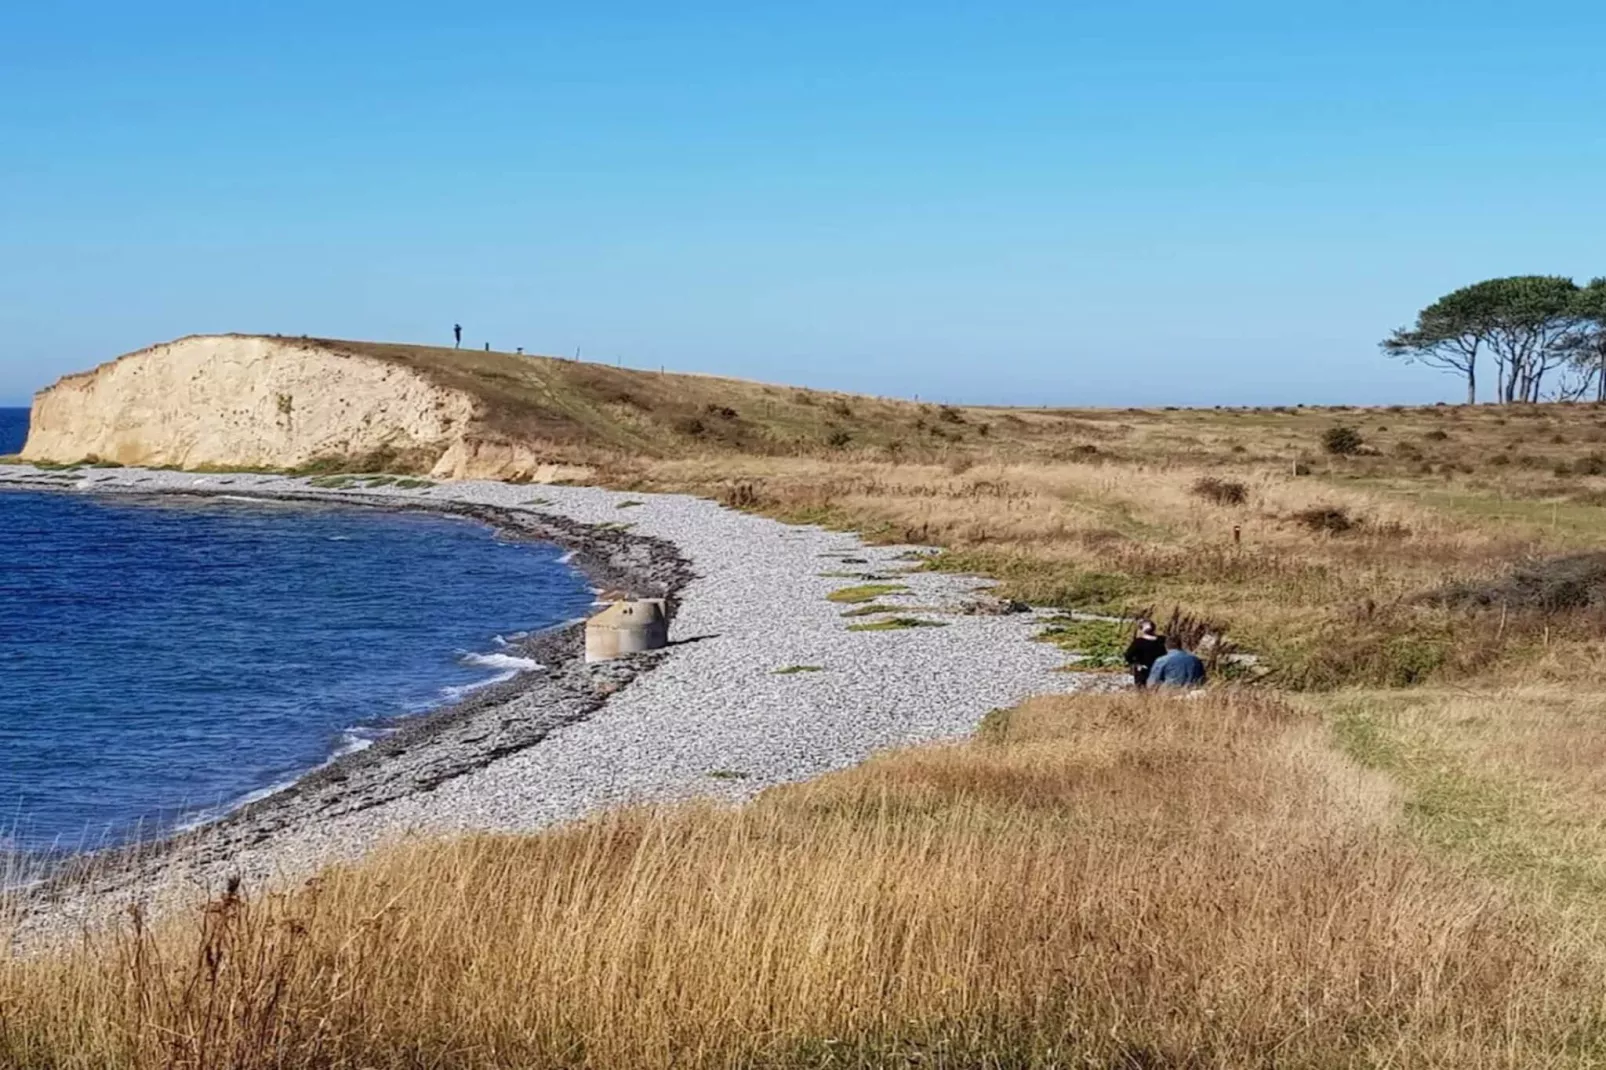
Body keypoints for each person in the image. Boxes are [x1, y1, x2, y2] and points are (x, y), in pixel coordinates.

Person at [1123, 619, 1166, 689]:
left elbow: (1128, 655)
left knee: (1143, 689)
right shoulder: (1161, 640)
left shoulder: (1139, 642)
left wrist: (1136, 664)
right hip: (1156, 668)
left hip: (1146, 669)